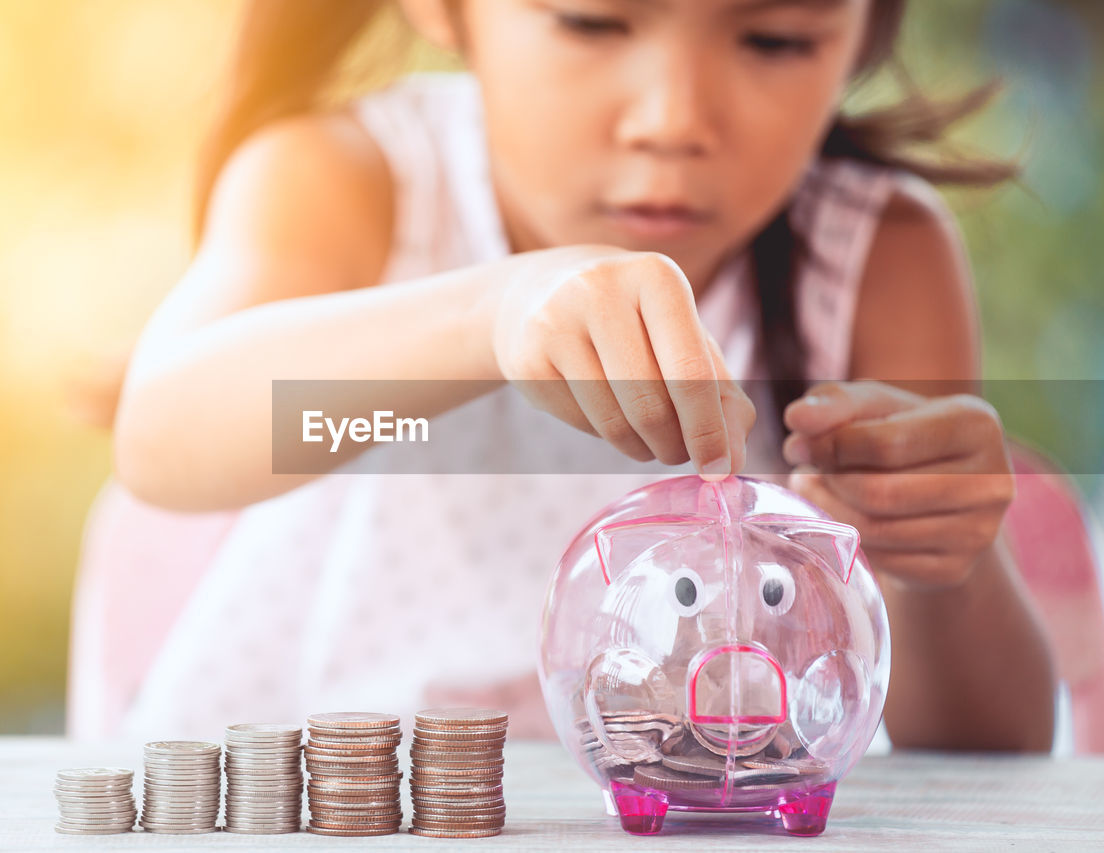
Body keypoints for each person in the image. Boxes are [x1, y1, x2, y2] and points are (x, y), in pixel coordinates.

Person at [67, 0, 1055, 750]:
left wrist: (942, 566)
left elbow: (985, 751)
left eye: (773, 40)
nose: (672, 118)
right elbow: (165, 435)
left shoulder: (872, 258)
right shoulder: (347, 180)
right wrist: (486, 312)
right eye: (591, 21)